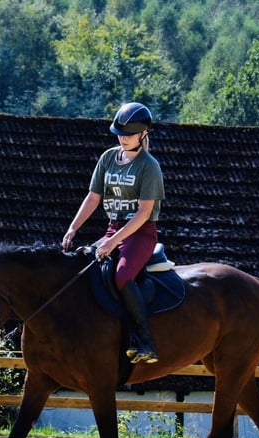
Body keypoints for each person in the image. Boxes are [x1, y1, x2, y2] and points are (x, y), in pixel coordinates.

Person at [61, 102, 165, 364]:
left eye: (128, 134)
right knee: (81, 266)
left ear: (143, 135)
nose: (122, 138)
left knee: (120, 275)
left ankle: (144, 340)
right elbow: (93, 198)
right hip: (113, 228)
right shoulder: (108, 158)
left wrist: (111, 243)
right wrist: (74, 227)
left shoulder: (149, 166)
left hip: (140, 233)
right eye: (119, 133)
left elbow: (143, 214)